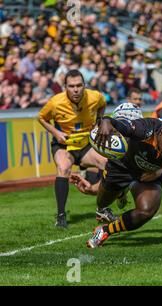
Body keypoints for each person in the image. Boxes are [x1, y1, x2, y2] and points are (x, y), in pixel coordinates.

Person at [85, 115, 162, 248]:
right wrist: (106, 121)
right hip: (123, 166)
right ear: (161, 132)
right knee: (102, 202)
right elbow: (120, 125)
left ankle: (104, 230)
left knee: (146, 211)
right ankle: (121, 192)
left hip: (149, 175)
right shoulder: (146, 128)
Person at [37, 69, 109, 228]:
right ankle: (61, 216)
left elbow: (103, 104)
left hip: (84, 145)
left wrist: (99, 120)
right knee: (63, 168)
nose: (75, 89)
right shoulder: (55, 103)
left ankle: (102, 208)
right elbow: (41, 117)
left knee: (107, 163)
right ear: (65, 87)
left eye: (79, 85)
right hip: (65, 145)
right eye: (71, 86)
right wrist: (56, 133)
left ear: (84, 85)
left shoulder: (94, 96)